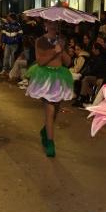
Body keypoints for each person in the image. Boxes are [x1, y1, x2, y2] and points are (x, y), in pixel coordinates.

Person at [26, 21, 73, 157]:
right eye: (50, 23)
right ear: (46, 24)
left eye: (56, 24)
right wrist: (54, 51)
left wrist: (62, 50)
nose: (53, 26)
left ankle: (45, 130)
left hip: (59, 78)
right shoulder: (40, 41)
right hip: (45, 78)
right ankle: (50, 143)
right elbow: (40, 61)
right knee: (50, 111)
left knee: (55, 111)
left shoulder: (62, 40)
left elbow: (68, 62)